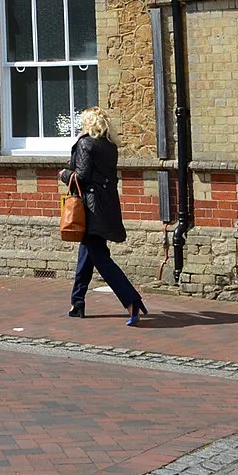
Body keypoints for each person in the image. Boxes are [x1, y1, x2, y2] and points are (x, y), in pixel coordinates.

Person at [60, 106, 149, 325]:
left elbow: (80, 177)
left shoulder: (85, 143)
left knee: (100, 257)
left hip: (90, 208)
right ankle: (77, 301)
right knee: (87, 253)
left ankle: (131, 300)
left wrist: (64, 175)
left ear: (88, 124)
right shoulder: (110, 146)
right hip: (107, 205)